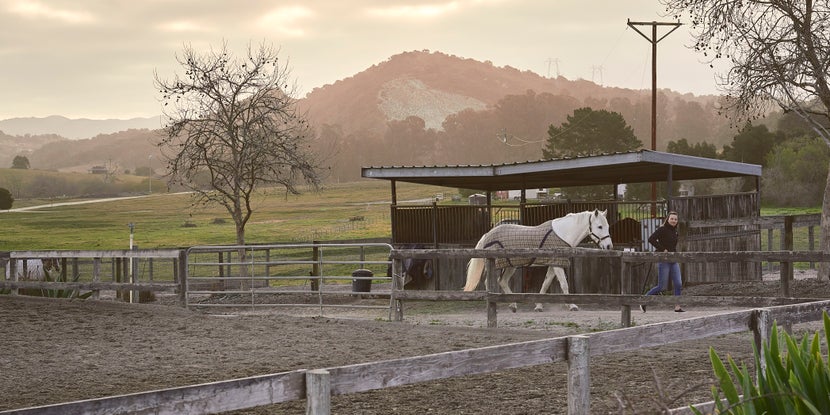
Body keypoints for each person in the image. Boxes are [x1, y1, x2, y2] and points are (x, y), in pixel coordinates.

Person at [641, 211, 684, 313]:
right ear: (668, 219)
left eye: (675, 219)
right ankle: (643, 300)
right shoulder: (662, 229)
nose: (674, 221)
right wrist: (662, 249)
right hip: (664, 260)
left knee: (678, 283)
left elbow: (672, 246)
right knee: (662, 287)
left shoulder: (675, 231)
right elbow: (651, 239)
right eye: (672, 219)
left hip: (673, 260)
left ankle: (677, 307)